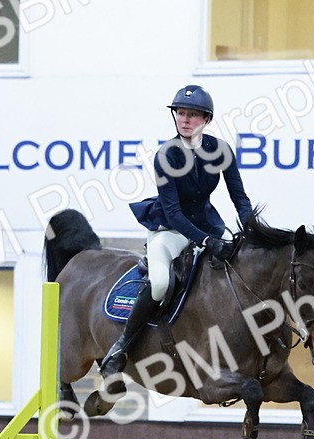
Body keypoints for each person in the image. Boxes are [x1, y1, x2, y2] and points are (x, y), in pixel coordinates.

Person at [104, 85, 254, 382]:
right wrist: (207, 241)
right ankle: (121, 348)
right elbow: (174, 213)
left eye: (193, 115)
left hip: (210, 225)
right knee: (159, 283)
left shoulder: (220, 150)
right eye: (181, 114)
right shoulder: (166, 155)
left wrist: (252, 230)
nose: (185, 120)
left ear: (206, 120)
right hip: (171, 230)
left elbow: (240, 198)